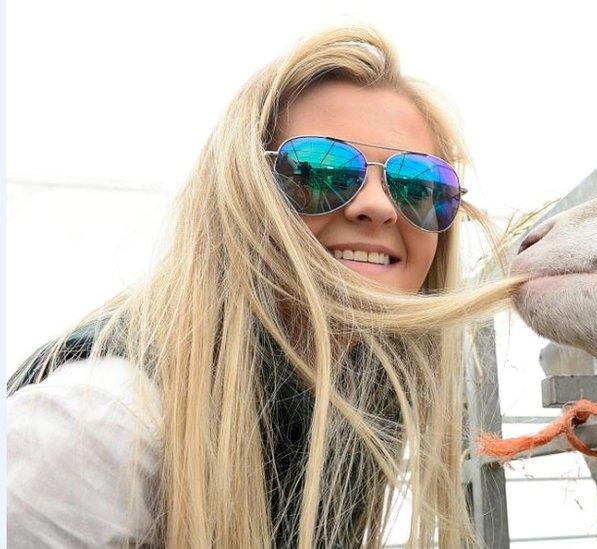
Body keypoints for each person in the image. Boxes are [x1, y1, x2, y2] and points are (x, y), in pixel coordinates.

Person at [6, 26, 520, 548]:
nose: (380, 206)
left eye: (419, 186)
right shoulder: (100, 423)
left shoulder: (350, 405)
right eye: (321, 171)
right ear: (244, 194)